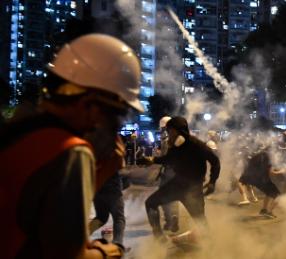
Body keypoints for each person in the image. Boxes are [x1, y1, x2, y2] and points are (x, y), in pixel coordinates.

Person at [0, 34, 143, 259]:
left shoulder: (20, 127)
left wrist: (103, 173)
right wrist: (108, 253)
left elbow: (53, 213)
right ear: (90, 105)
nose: (115, 125)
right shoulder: (71, 151)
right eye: (115, 113)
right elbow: (68, 253)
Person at [144, 116, 220, 243]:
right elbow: (168, 159)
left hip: (193, 189)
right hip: (177, 184)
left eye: (170, 131)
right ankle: (159, 237)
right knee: (150, 203)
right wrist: (152, 160)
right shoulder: (176, 147)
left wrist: (212, 182)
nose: (168, 134)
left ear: (180, 131)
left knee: (200, 222)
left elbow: (215, 161)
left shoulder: (197, 145)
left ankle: (209, 249)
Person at [89, 171, 127, 246]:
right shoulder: (112, 159)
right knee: (119, 218)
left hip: (97, 189)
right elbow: (120, 164)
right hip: (112, 189)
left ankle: (81, 237)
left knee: (101, 218)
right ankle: (117, 245)